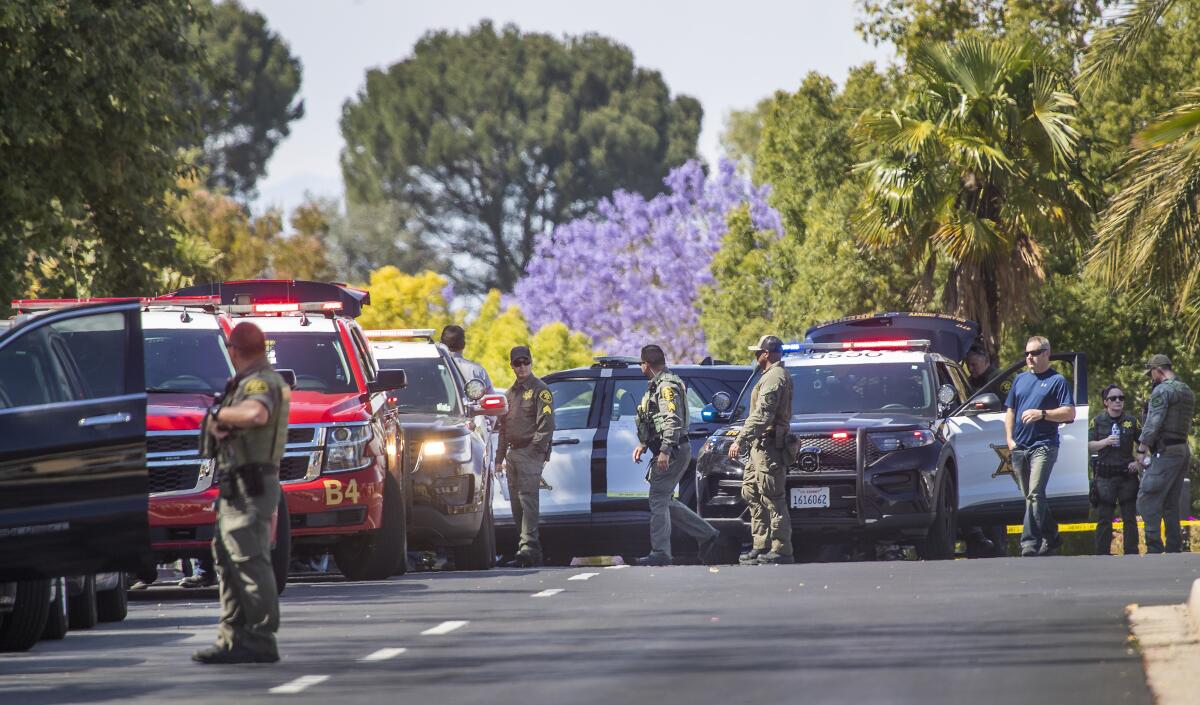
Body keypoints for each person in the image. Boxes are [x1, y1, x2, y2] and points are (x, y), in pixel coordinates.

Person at [192, 322, 290, 665]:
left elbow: (256, 413)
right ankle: (233, 639)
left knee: (250, 562)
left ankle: (260, 638)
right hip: (236, 485)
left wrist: (218, 413)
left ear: (234, 350)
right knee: (228, 560)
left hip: (251, 485)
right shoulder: (248, 381)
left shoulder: (260, 382)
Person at [632, 344, 721, 566]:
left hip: (673, 450)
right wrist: (644, 443)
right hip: (673, 448)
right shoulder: (659, 384)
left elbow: (672, 421)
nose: (640, 368)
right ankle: (707, 535)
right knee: (664, 499)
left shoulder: (666, 387)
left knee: (657, 499)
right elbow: (656, 421)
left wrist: (664, 450)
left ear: (646, 365)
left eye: (641, 364)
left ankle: (661, 552)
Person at [1005, 336, 1075, 557]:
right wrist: (1009, 439)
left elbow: (1070, 413)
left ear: (1046, 353)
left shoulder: (1057, 381)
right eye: (1026, 353)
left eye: (1034, 353)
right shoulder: (1020, 380)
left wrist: (1042, 414)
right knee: (1032, 497)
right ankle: (1052, 536)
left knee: (1035, 494)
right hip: (1020, 446)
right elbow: (1011, 411)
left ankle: (1029, 543)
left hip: (1044, 445)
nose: (1029, 357)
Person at [728, 335, 795, 565]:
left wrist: (741, 438)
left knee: (773, 497)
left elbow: (763, 414)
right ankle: (761, 544)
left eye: (758, 352)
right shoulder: (767, 376)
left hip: (769, 448)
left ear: (766, 353)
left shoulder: (775, 378)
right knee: (751, 491)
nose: (756, 356)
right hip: (759, 448)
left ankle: (781, 548)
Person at [496, 345, 554, 567]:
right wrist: (499, 459)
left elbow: (546, 424)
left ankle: (528, 547)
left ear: (531, 362)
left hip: (530, 451)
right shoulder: (509, 395)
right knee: (516, 503)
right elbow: (502, 428)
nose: (522, 367)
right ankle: (527, 547)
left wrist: (535, 450)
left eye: (525, 362)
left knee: (528, 499)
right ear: (511, 366)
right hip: (513, 453)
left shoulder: (541, 390)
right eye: (517, 363)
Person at [1136, 354, 1194, 554]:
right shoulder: (1186, 390)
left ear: (1158, 370)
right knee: (1171, 502)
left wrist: (1142, 449)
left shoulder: (1162, 390)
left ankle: (1154, 548)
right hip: (1182, 450)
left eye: (1151, 372)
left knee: (1147, 497)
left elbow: (1153, 422)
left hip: (1166, 451)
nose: (1151, 377)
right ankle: (1173, 548)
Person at [1087, 384, 1142, 555]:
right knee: (1104, 518)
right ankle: (1102, 554)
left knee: (1129, 518)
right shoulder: (1097, 421)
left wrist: (1139, 463)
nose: (1118, 401)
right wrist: (1105, 442)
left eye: (1121, 398)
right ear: (1106, 402)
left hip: (1127, 475)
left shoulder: (1131, 421)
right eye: (1113, 398)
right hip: (1105, 477)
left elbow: (1144, 444)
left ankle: (1131, 554)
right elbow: (1088, 445)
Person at [440, 324, 493, 394]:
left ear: (441, 344)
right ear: (463, 345)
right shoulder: (478, 370)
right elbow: (490, 396)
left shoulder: (432, 369)